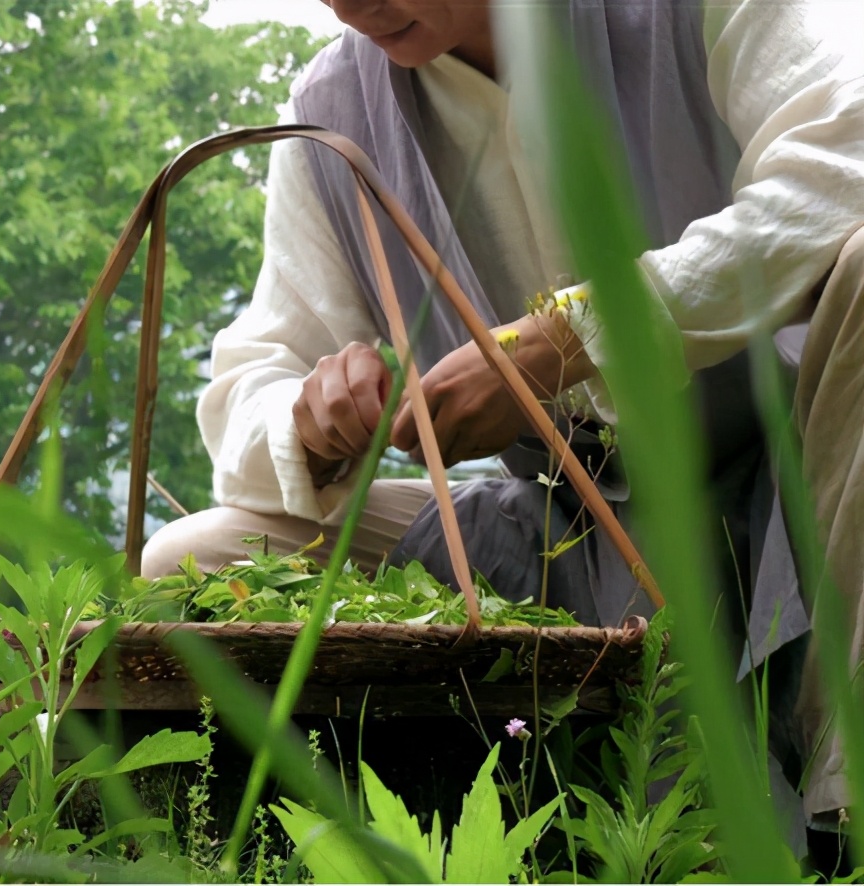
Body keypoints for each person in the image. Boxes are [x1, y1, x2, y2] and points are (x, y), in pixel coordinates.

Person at [141, 0, 864, 834]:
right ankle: (416, 830)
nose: (350, 5)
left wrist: (570, 338)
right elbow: (257, 378)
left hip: (811, 487)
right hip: (567, 540)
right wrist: (311, 418)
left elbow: (843, 159)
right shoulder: (334, 113)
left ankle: (847, 808)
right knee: (190, 562)